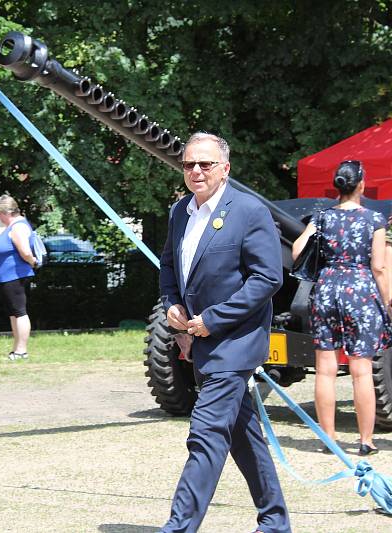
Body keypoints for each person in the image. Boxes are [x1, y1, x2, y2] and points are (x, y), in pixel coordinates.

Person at [158, 132, 290, 533]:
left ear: (225, 168)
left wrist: (213, 319)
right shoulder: (180, 212)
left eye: (206, 164)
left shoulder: (249, 211)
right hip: (199, 343)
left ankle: (179, 527)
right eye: (188, 164)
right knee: (243, 436)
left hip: (236, 342)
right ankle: (275, 522)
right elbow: (169, 269)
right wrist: (172, 308)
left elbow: (268, 278)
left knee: (206, 433)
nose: (196, 171)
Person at [293, 159, 390, 456]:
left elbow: (297, 250)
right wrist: (386, 301)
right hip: (360, 292)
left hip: (326, 290)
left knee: (325, 370)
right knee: (361, 370)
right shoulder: (374, 219)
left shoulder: (322, 217)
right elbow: (378, 266)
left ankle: (329, 439)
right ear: (361, 185)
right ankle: (365, 441)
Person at [0, 194, 37, 360]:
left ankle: (21, 351)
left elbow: (26, 251)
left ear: (7, 212)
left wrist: (33, 262)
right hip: (7, 277)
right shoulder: (14, 226)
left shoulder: (18, 227)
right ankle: (17, 348)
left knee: (19, 312)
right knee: (14, 313)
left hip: (15, 276)